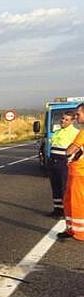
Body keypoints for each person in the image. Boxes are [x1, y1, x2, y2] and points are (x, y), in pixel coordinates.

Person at [58, 103, 84, 241]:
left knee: (76, 202)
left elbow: (70, 150)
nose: (77, 116)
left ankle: (79, 232)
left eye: (78, 114)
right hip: (76, 171)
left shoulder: (83, 133)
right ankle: (71, 229)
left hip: (79, 172)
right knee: (68, 201)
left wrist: (69, 151)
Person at [46, 111, 79, 218]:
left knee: (64, 187)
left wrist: (69, 160)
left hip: (63, 162)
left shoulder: (75, 133)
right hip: (53, 161)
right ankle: (57, 210)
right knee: (55, 187)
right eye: (62, 118)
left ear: (72, 121)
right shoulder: (58, 131)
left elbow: (77, 149)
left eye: (66, 119)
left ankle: (66, 211)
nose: (63, 121)